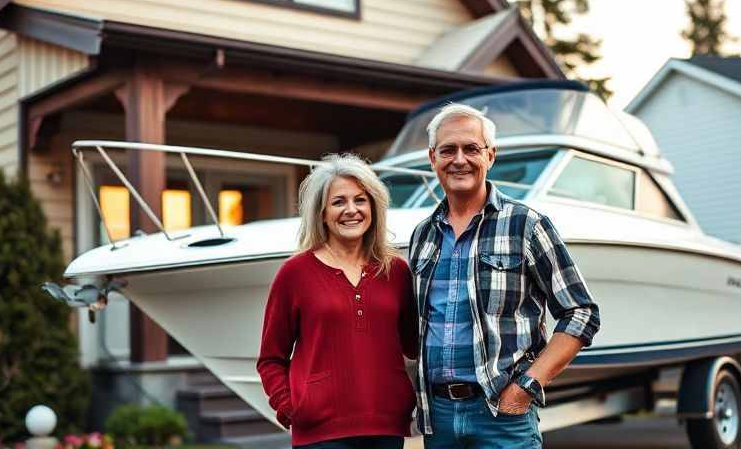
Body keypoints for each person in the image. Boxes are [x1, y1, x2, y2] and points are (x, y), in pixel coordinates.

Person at [408, 104, 601, 448]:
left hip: (502, 414)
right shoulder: (423, 235)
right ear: (432, 158)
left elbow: (581, 312)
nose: (459, 159)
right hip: (438, 416)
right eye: (448, 149)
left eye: (471, 148)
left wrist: (525, 388)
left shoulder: (525, 224)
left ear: (491, 156)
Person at [257, 154, 418, 449]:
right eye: (338, 202)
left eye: (360, 200)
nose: (351, 210)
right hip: (319, 432)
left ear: (374, 207)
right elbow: (270, 358)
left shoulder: (396, 271)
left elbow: (415, 344)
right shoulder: (295, 273)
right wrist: (289, 406)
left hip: (386, 425)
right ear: (322, 213)